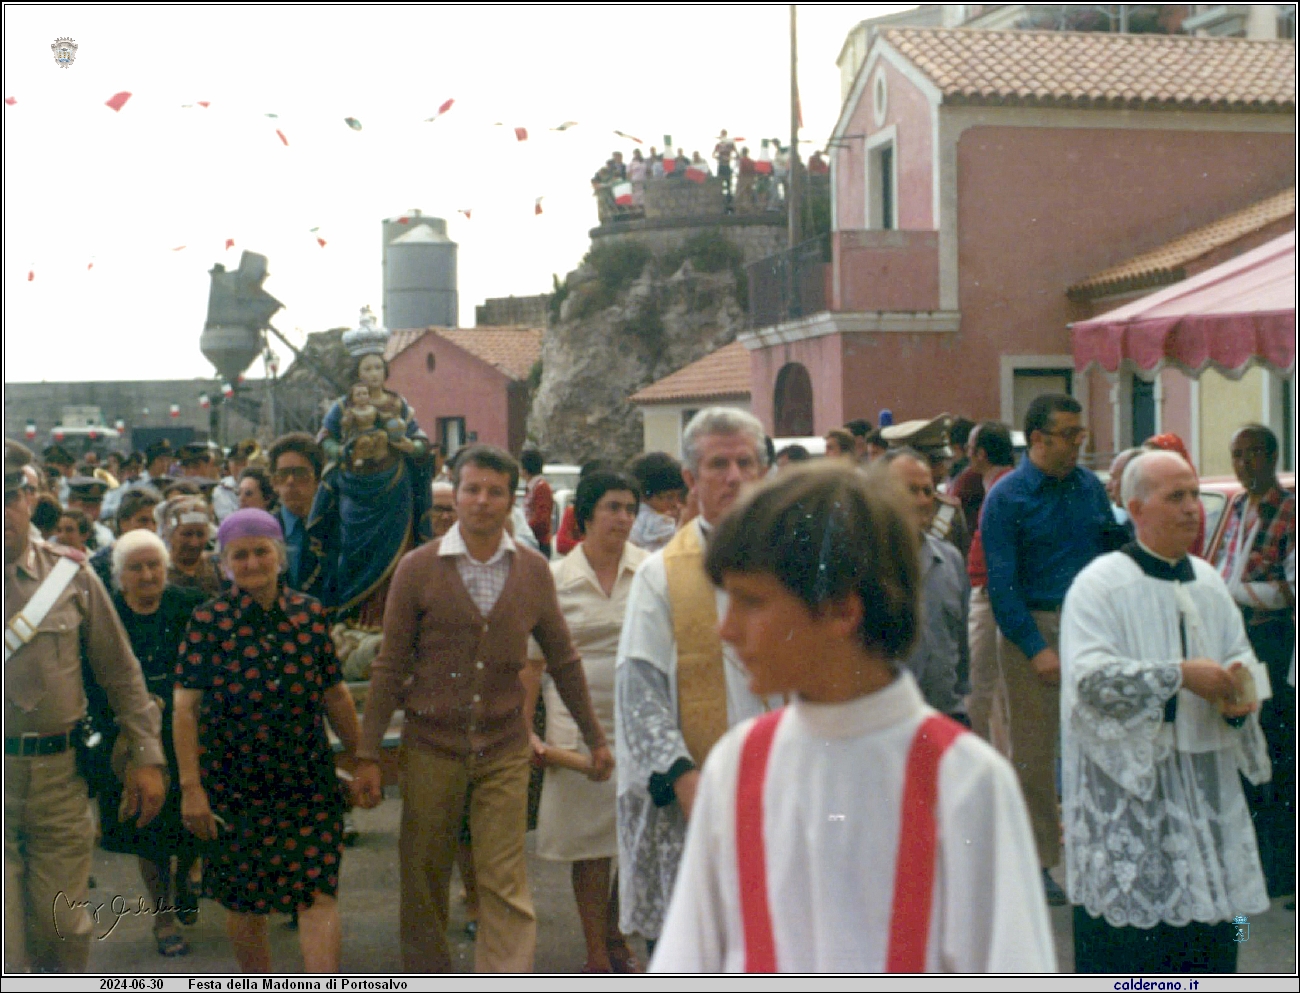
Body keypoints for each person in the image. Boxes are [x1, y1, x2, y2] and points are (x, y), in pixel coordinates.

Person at [649, 462, 1055, 972]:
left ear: (843, 610)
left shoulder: (966, 780)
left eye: (750, 602)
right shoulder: (738, 764)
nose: (725, 629)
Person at [350, 445, 612, 973]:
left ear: (511, 498)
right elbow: (388, 667)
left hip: (503, 749)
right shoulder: (417, 569)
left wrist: (596, 737)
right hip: (430, 749)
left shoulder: (534, 571)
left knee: (505, 879)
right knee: (423, 879)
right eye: (472, 489)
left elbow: (563, 659)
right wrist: (367, 754)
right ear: (456, 492)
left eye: (496, 492)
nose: (483, 501)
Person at [1060, 450, 1272, 972]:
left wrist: (1242, 693)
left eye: (1194, 495)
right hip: (1136, 797)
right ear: (1136, 507)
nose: (1191, 509)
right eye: (1174, 497)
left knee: (1214, 945)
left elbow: (1240, 656)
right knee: (1134, 961)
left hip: (1204, 783)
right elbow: (1089, 681)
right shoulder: (1098, 584)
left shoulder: (1207, 580)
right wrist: (1179, 675)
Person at [614, 407, 778, 952]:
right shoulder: (663, 575)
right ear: (690, 479)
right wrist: (685, 780)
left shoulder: (798, 566)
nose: (734, 476)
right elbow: (640, 693)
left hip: (785, 787)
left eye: (745, 462)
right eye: (718, 464)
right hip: (697, 796)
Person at [174, 508, 362, 972]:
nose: (253, 562)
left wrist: (364, 759)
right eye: (241, 554)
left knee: (318, 893)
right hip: (235, 784)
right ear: (224, 564)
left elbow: (335, 694)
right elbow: (185, 709)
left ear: (280, 557)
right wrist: (191, 788)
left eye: (262, 552)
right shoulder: (208, 620)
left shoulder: (309, 614)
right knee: (246, 903)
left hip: (307, 780)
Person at [4, 441, 166, 973]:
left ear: (30, 498)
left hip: (59, 781)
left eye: (10, 496)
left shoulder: (69, 575)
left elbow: (121, 672)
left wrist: (146, 757)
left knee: (64, 932)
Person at [980, 393, 1113, 907]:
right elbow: (1002, 585)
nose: (1078, 444)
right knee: (1035, 753)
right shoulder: (1007, 498)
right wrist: (1036, 648)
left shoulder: (1088, 488)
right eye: (1069, 435)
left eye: (1081, 435)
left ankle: (1097, 845)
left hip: (1092, 627)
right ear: (1036, 438)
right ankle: (1037, 861)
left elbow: (1110, 550)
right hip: (1030, 627)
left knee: (1100, 740)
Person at [524, 470, 647, 973]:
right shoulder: (554, 578)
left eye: (630, 508)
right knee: (590, 845)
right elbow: (531, 663)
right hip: (577, 720)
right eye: (613, 507)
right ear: (587, 515)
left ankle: (619, 936)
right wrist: (524, 729)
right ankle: (597, 950)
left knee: (632, 836)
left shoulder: (651, 571)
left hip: (639, 715)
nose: (622, 518)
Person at [100, 530, 208, 957]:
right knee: (149, 831)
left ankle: (187, 879)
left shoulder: (188, 605)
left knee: (193, 820)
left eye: (154, 565)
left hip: (186, 726)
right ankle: (162, 917)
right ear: (119, 576)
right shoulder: (107, 614)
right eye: (136, 567)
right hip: (132, 734)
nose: (147, 575)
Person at [307, 309, 434, 623]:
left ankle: (392, 621)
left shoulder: (398, 403)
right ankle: (354, 620)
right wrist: (341, 451)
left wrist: (408, 446)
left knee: (397, 555)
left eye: (378, 367)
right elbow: (324, 437)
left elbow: (420, 440)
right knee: (353, 552)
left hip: (394, 490)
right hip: (356, 488)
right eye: (367, 368)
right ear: (358, 372)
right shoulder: (343, 405)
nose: (374, 374)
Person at [1213, 423, 1295, 897]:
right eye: (1237, 455)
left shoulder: (1289, 510)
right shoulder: (1238, 508)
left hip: (1271, 644)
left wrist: (1233, 593)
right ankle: (1253, 860)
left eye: (1253, 454)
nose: (1244, 464)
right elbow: (1226, 566)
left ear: (1272, 456)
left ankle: (1280, 868)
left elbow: (1288, 591)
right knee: (1244, 742)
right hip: (1239, 643)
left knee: (1276, 750)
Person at [882, 449, 969, 718]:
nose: (922, 500)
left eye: (927, 491)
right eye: (911, 490)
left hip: (945, 716)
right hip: (886, 726)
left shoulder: (950, 560)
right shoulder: (860, 566)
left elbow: (961, 650)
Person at [963, 422, 1015, 753]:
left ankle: (978, 757)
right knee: (996, 690)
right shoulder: (996, 484)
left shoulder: (1002, 486)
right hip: (991, 589)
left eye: (969, 448)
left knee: (980, 684)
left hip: (991, 592)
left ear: (981, 453)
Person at [881, 415, 971, 558]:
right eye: (934, 462)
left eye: (942, 462)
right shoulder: (875, 512)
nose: (942, 471)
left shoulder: (948, 511)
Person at [267, 433, 321, 592]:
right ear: (274, 483)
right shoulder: (264, 531)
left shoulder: (333, 527)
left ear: (317, 479)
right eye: (283, 475)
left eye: (300, 474)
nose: (290, 482)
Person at [90, 485, 162, 591]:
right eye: (143, 521)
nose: (151, 528)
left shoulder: (162, 559)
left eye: (155, 522)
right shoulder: (101, 564)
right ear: (123, 522)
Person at [159, 495, 222, 596]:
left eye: (200, 534)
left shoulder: (220, 567)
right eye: (187, 534)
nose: (194, 543)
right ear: (168, 534)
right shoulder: (158, 571)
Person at [627, 453, 685, 555]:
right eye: (669, 497)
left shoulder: (634, 513)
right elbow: (679, 540)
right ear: (645, 495)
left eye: (679, 496)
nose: (676, 503)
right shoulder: (655, 520)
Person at [65, 476, 115, 552]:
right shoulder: (59, 533)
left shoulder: (105, 535)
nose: (92, 513)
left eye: (96, 506)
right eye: (86, 507)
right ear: (70, 503)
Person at [520, 449, 554, 559]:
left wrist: (524, 529)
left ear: (525, 469)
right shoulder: (531, 487)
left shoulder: (541, 488)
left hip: (539, 543)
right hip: (529, 540)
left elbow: (542, 519)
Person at [713, 129, 737, 196]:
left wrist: (730, 158)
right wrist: (717, 158)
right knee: (719, 184)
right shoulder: (718, 145)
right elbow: (713, 155)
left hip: (727, 166)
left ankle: (729, 198)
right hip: (720, 165)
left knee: (728, 184)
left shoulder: (730, 144)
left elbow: (736, 154)